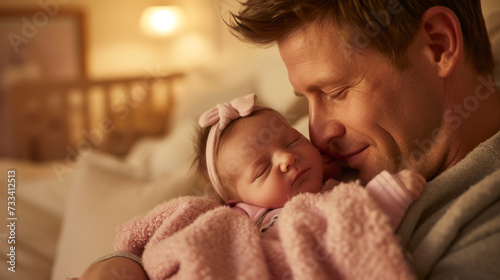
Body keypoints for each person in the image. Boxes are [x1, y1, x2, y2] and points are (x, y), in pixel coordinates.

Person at [228, 0, 500, 279]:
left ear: (438, 45)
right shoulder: (308, 157)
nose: (316, 136)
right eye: (306, 98)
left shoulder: (485, 232)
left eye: (336, 92)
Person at [194, 93, 425, 232]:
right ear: (238, 201)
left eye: (293, 141)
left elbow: (354, 225)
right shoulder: (242, 219)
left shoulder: (337, 187)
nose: (287, 158)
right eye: (263, 169)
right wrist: (385, 197)